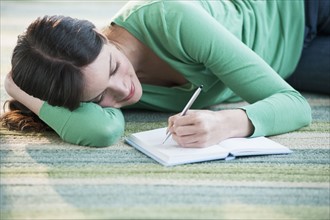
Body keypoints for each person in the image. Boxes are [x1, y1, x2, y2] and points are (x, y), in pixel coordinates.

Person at [1, 0, 327, 148]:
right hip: (291, 64)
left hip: (298, 9)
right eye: (101, 98)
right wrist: (18, 89)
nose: (125, 91)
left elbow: (294, 106)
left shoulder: (173, 17)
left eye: (114, 67)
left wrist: (226, 123)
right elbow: (99, 132)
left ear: (100, 34)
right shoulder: (83, 82)